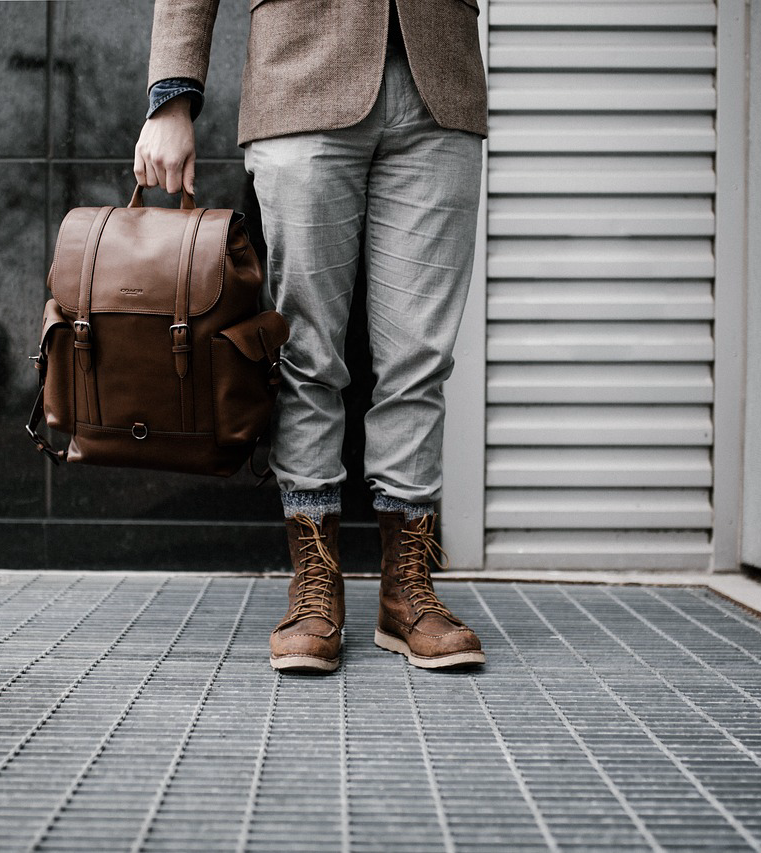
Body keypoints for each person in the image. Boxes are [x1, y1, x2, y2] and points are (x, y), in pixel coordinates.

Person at [135, 0, 487, 673]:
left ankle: (405, 586)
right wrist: (171, 97)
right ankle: (314, 577)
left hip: (440, 78)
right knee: (303, 352)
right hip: (301, 77)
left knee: (421, 357)